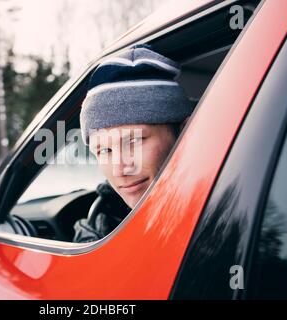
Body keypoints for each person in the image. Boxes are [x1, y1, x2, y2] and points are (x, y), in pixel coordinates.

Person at [73, 44, 195, 243]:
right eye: (104, 149)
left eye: (134, 141)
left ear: (183, 132)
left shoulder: (222, 206)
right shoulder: (102, 218)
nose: (120, 169)